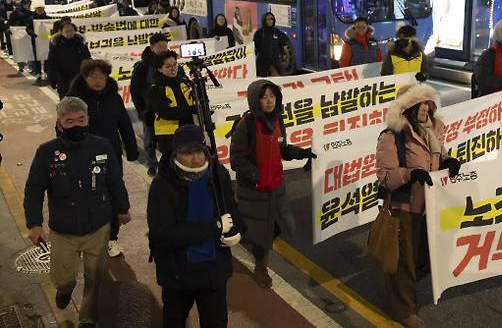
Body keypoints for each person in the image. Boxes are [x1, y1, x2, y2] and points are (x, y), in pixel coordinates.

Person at [23, 97, 131, 328]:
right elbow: (33, 189)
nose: (76, 125)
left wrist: (123, 208)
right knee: (63, 279)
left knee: (95, 277)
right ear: (60, 124)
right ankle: (65, 290)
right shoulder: (46, 153)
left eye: (81, 120)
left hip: (98, 226)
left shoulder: (102, 146)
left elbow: (114, 180)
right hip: (63, 230)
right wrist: (34, 223)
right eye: (69, 121)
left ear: (88, 119)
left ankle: (87, 319)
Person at [375, 83, 460, 328]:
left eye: (427, 103)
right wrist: (410, 174)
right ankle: (404, 310)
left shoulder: (431, 132)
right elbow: (384, 175)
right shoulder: (392, 136)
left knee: (423, 258)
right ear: (409, 108)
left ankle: (404, 292)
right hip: (404, 207)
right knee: (403, 262)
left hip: (430, 208)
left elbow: (440, 156)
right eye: (420, 104)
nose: (425, 108)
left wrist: (449, 161)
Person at [148, 125, 242, 328]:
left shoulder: (218, 173)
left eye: (199, 150)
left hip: (213, 270)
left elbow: (231, 208)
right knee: (174, 320)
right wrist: (215, 227)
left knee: (216, 322)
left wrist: (238, 229)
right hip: (177, 272)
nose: (196, 158)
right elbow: (163, 233)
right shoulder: (162, 184)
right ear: (176, 154)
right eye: (188, 152)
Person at [230, 80, 316, 288]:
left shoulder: (278, 120)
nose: (269, 101)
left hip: (276, 185)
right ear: (255, 100)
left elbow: (282, 149)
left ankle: (255, 241)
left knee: (278, 225)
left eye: (272, 96)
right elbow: (236, 159)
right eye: (264, 97)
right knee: (261, 232)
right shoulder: (246, 125)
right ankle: (261, 267)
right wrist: (257, 176)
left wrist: (302, 153)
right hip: (255, 190)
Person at [67, 59, 139, 257]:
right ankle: (86, 236)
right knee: (85, 194)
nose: (98, 81)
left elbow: (124, 123)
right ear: (85, 77)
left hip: (111, 155)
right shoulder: (74, 100)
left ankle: (111, 238)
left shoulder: (113, 97)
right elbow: (62, 127)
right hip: (82, 156)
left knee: (113, 193)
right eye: (93, 77)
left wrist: (131, 150)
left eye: (102, 76)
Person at [130, 33, 169, 176]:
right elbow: (135, 91)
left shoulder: (170, 62)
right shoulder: (143, 67)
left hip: (168, 109)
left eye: (165, 46)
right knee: (150, 139)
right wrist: (142, 111)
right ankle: (152, 164)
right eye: (160, 47)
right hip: (150, 110)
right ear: (152, 47)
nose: (164, 49)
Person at [147, 50, 197, 161]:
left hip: (191, 129)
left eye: (175, 64)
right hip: (169, 136)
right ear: (160, 69)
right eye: (168, 66)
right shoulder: (155, 89)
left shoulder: (185, 82)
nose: (173, 68)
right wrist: (192, 110)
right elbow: (166, 113)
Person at [47, 21, 91, 99]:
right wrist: (52, 79)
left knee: (82, 101)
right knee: (66, 102)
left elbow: (87, 59)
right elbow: (51, 63)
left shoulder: (81, 44)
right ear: (61, 32)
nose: (69, 33)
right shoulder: (56, 45)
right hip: (63, 80)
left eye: (71, 31)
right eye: (66, 31)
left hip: (80, 78)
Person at [253, 12, 290, 77]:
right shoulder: (259, 33)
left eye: (272, 19)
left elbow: (281, 44)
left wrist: (283, 53)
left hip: (275, 61)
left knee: (279, 79)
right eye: (268, 19)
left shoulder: (276, 32)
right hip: (262, 62)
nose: (271, 21)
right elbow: (255, 47)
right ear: (264, 20)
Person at [9, 0, 34, 73]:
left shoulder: (31, 14)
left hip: (28, 34)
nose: (28, 6)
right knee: (20, 50)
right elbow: (10, 23)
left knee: (30, 50)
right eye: (26, 4)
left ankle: (31, 66)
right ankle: (21, 65)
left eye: (29, 4)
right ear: (22, 5)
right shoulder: (15, 13)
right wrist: (10, 29)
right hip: (18, 34)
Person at [28, 1, 49, 82]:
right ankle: (38, 72)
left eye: (41, 9)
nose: (40, 10)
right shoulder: (31, 18)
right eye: (38, 9)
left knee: (47, 56)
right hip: (36, 40)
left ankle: (47, 71)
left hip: (46, 39)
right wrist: (32, 33)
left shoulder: (48, 18)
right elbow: (28, 28)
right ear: (36, 9)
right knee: (37, 57)